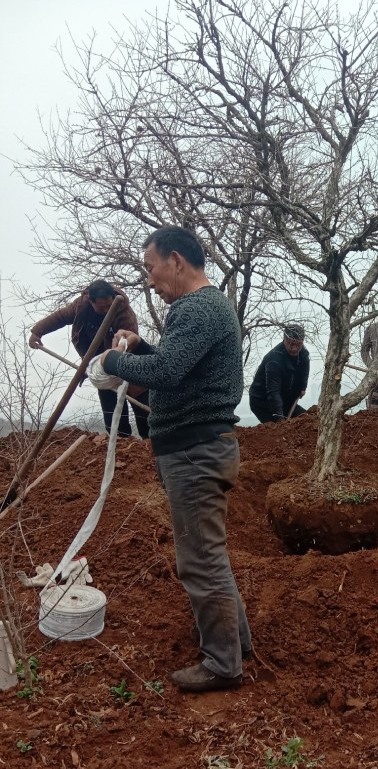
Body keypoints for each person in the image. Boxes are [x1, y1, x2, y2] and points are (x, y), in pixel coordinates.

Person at [100, 226, 252, 693]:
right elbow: (178, 367)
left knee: (199, 561)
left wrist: (112, 362)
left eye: (151, 267)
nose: (149, 279)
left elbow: (166, 373)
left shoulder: (197, 308)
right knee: (208, 555)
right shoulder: (204, 309)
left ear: (176, 261)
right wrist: (141, 348)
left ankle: (223, 664)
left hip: (195, 452)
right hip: (196, 449)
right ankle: (235, 641)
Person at [29, 279, 150, 439]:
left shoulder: (123, 312)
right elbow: (60, 317)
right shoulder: (81, 306)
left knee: (142, 410)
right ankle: (120, 443)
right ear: (91, 301)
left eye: (109, 305)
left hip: (127, 364)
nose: (108, 310)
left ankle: (150, 444)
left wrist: (115, 357)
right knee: (113, 415)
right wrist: (37, 332)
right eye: (102, 308)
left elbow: (131, 342)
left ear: (113, 298)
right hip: (100, 365)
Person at [248, 324, 310, 423]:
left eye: (298, 344)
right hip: (263, 401)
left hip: (286, 400)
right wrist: (279, 417)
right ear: (284, 340)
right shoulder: (274, 359)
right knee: (278, 430)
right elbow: (273, 392)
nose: (294, 348)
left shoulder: (303, 354)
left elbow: (305, 370)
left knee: (307, 419)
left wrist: (303, 387)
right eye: (291, 343)